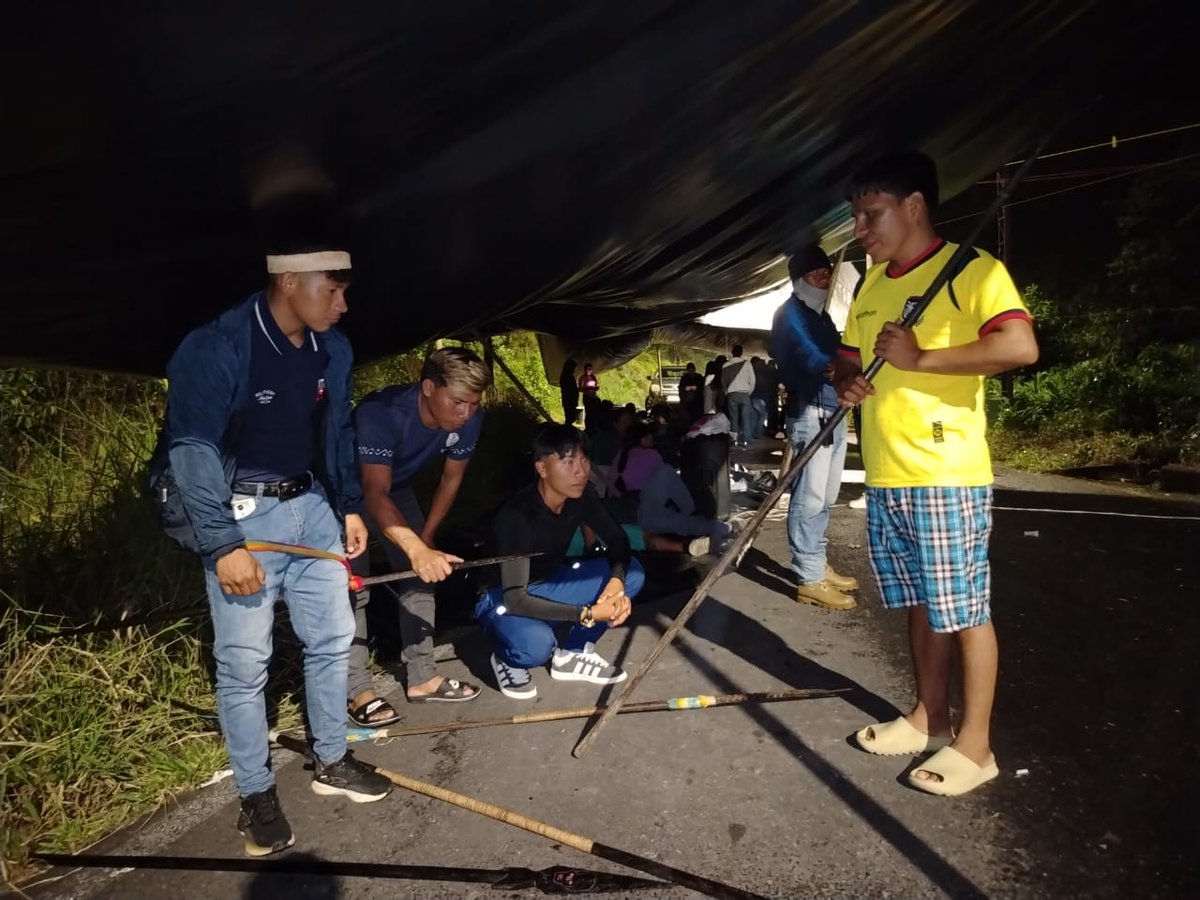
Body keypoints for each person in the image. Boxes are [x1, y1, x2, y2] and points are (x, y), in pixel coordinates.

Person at [151, 235, 391, 857]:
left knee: (334, 638)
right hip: (242, 515)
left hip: (311, 507)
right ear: (289, 283)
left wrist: (348, 507)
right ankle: (255, 796)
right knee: (243, 663)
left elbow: (334, 428)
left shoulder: (330, 348)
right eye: (331, 290)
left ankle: (333, 761)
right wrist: (223, 543)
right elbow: (193, 449)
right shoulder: (217, 346)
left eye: (344, 291)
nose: (341, 304)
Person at [833, 150, 1038, 796]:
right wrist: (846, 382)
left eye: (871, 214)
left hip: (946, 473)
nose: (861, 229)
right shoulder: (871, 285)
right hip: (889, 475)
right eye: (857, 217)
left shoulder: (972, 270)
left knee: (965, 608)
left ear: (914, 206)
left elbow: (1018, 345)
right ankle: (927, 717)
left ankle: (976, 748)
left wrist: (922, 356)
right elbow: (844, 359)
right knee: (921, 602)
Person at [348, 348, 491, 721]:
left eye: (473, 404)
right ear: (428, 387)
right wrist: (414, 548)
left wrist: (424, 542)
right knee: (352, 588)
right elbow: (372, 492)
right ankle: (357, 690)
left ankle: (423, 676)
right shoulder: (382, 414)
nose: (466, 413)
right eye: (458, 402)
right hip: (345, 493)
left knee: (422, 575)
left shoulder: (468, 419)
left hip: (397, 488)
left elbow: (451, 479)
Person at [475, 424, 644, 700]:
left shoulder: (581, 496)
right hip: (502, 596)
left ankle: (572, 653)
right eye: (568, 462)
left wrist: (616, 583)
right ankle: (508, 658)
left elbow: (618, 540)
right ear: (542, 468)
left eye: (583, 460)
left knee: (632, 574)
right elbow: (517, 598)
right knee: (536, 646)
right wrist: (587, 614)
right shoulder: (518, 515)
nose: (580, 471)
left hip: (551, 581)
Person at [771, 243, 858, 612]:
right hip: (809, 412)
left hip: (834, 409)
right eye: (814, 273)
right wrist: (839, 368)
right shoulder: (789, 315)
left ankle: (817, 561)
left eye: (825, 272)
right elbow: (810, 354)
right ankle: (809, 577)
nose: (823, 278)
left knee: (826, 496)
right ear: (798, 279)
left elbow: (841, 350)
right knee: (809, 496)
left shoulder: (820, 316)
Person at [721, 345, 757, 447]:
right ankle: (747, 440)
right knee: (746, 418)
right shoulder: (747, 364)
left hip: (732, 394)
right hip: (745, 394)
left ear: (732, 352)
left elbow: (723, 382)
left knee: (733, 418)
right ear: (741, 353)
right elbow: (753, 380)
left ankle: (734, 439)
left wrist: (726, 392)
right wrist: (749, 392)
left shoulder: (725, 365)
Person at [749, 356, 775, 440]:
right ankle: (757, 433)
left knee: (754, 416)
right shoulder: (761, 373)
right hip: (760, 398)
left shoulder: (751, 372)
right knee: (763, 415)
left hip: (752, 397)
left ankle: (751, 434)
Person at [578, 362, 601, 427]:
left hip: (593, 396)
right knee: (588, 412)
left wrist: (595, 388)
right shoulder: (582, 378)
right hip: (587, 397)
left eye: (590, 369)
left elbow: (595, 385)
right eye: (588, 369)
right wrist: (587, 389)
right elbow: (579, 388)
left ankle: (594, 425)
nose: (589, 370)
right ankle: (588, 426)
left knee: (594, 411)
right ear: (585, 369)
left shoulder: (593, 377)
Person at [559, 358, 580, 425]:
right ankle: (567, 432)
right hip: (569, 401)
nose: (574, 370)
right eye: (573, 368)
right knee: (570, 419)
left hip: (570, 401)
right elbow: (570, 390)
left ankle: (568, 431)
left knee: (571, 418)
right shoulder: (567, 377)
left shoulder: (567, 376)